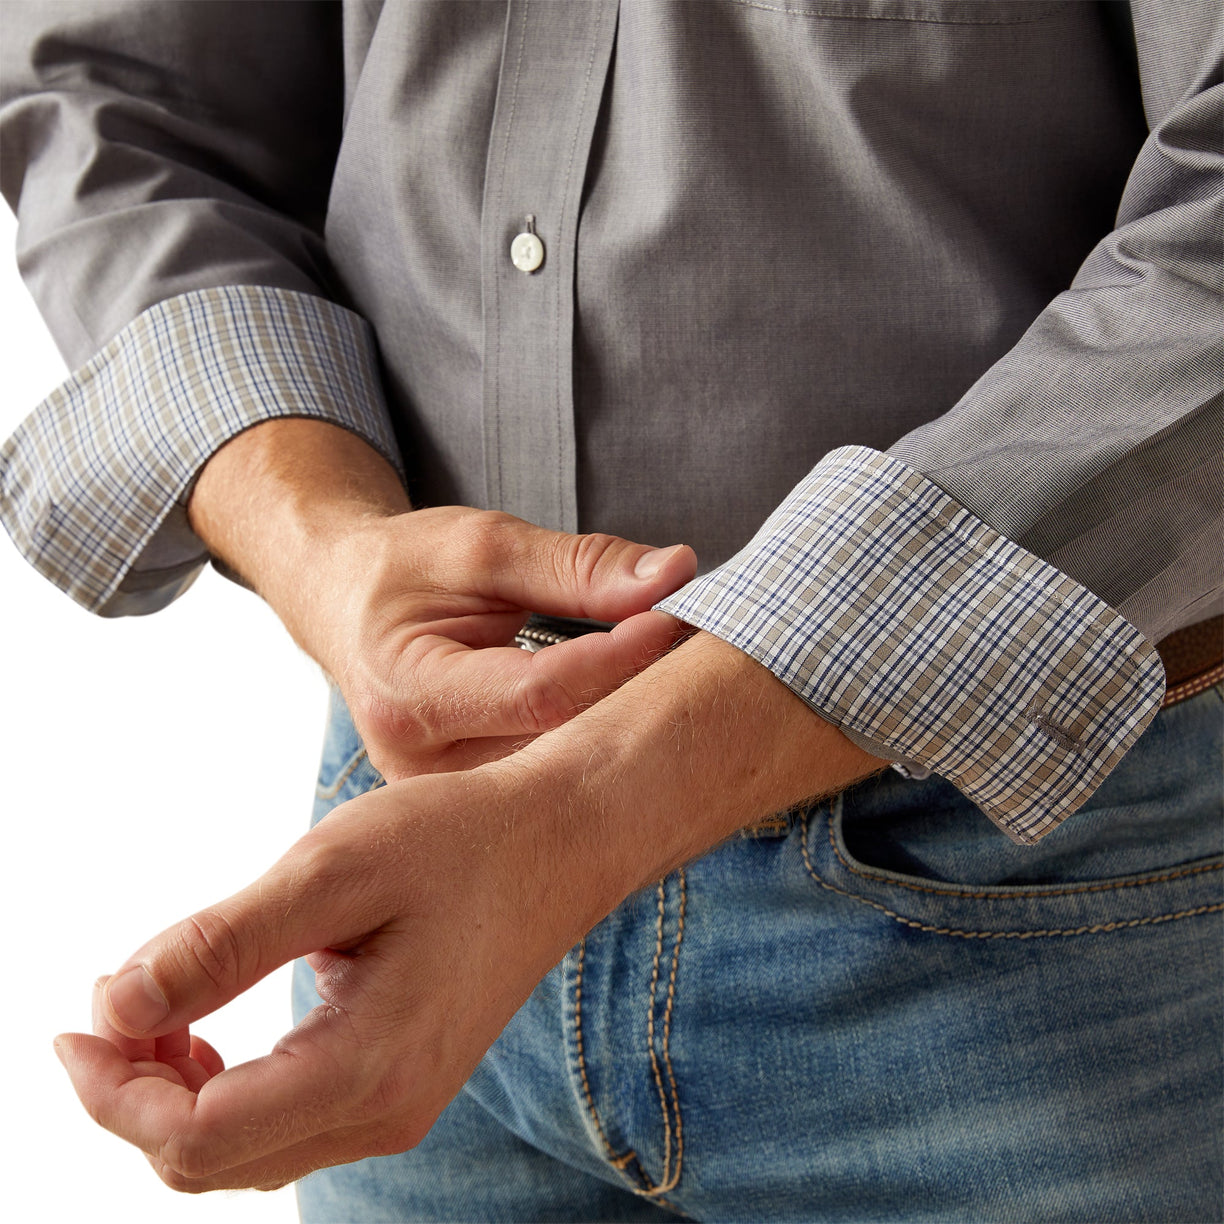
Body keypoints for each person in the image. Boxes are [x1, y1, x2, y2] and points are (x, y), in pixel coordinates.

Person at [2, 1, 1220, 1219]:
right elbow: (114, 83)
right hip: (413, 833)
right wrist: (322, 543)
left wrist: (583, 813)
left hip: (1038, 907)